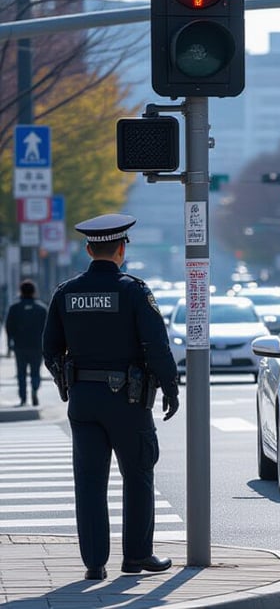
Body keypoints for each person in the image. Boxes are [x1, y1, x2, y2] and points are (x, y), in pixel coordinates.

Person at [42, 214, 181, 581]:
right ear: (121, 250)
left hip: (83, 401)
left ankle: (93, 563)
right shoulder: (134, 291)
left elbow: (50, 349)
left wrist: (66, 383)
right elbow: (156, 346)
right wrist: (170, 386)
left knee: (89, 480)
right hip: (128, 401)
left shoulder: (65, 292)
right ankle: (137, 557)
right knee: (137, 474)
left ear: (89, 249)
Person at [5, 279, 47, 406]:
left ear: (20, 291)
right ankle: (35, 388)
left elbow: (9, 328)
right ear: (34, 291)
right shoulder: (41, 309)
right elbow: (48, 328)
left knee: (21, 373)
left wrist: (9, 346)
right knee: (35, 371)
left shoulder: (14, 308)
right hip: (37, 346)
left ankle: (23, 398)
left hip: (20, 346)